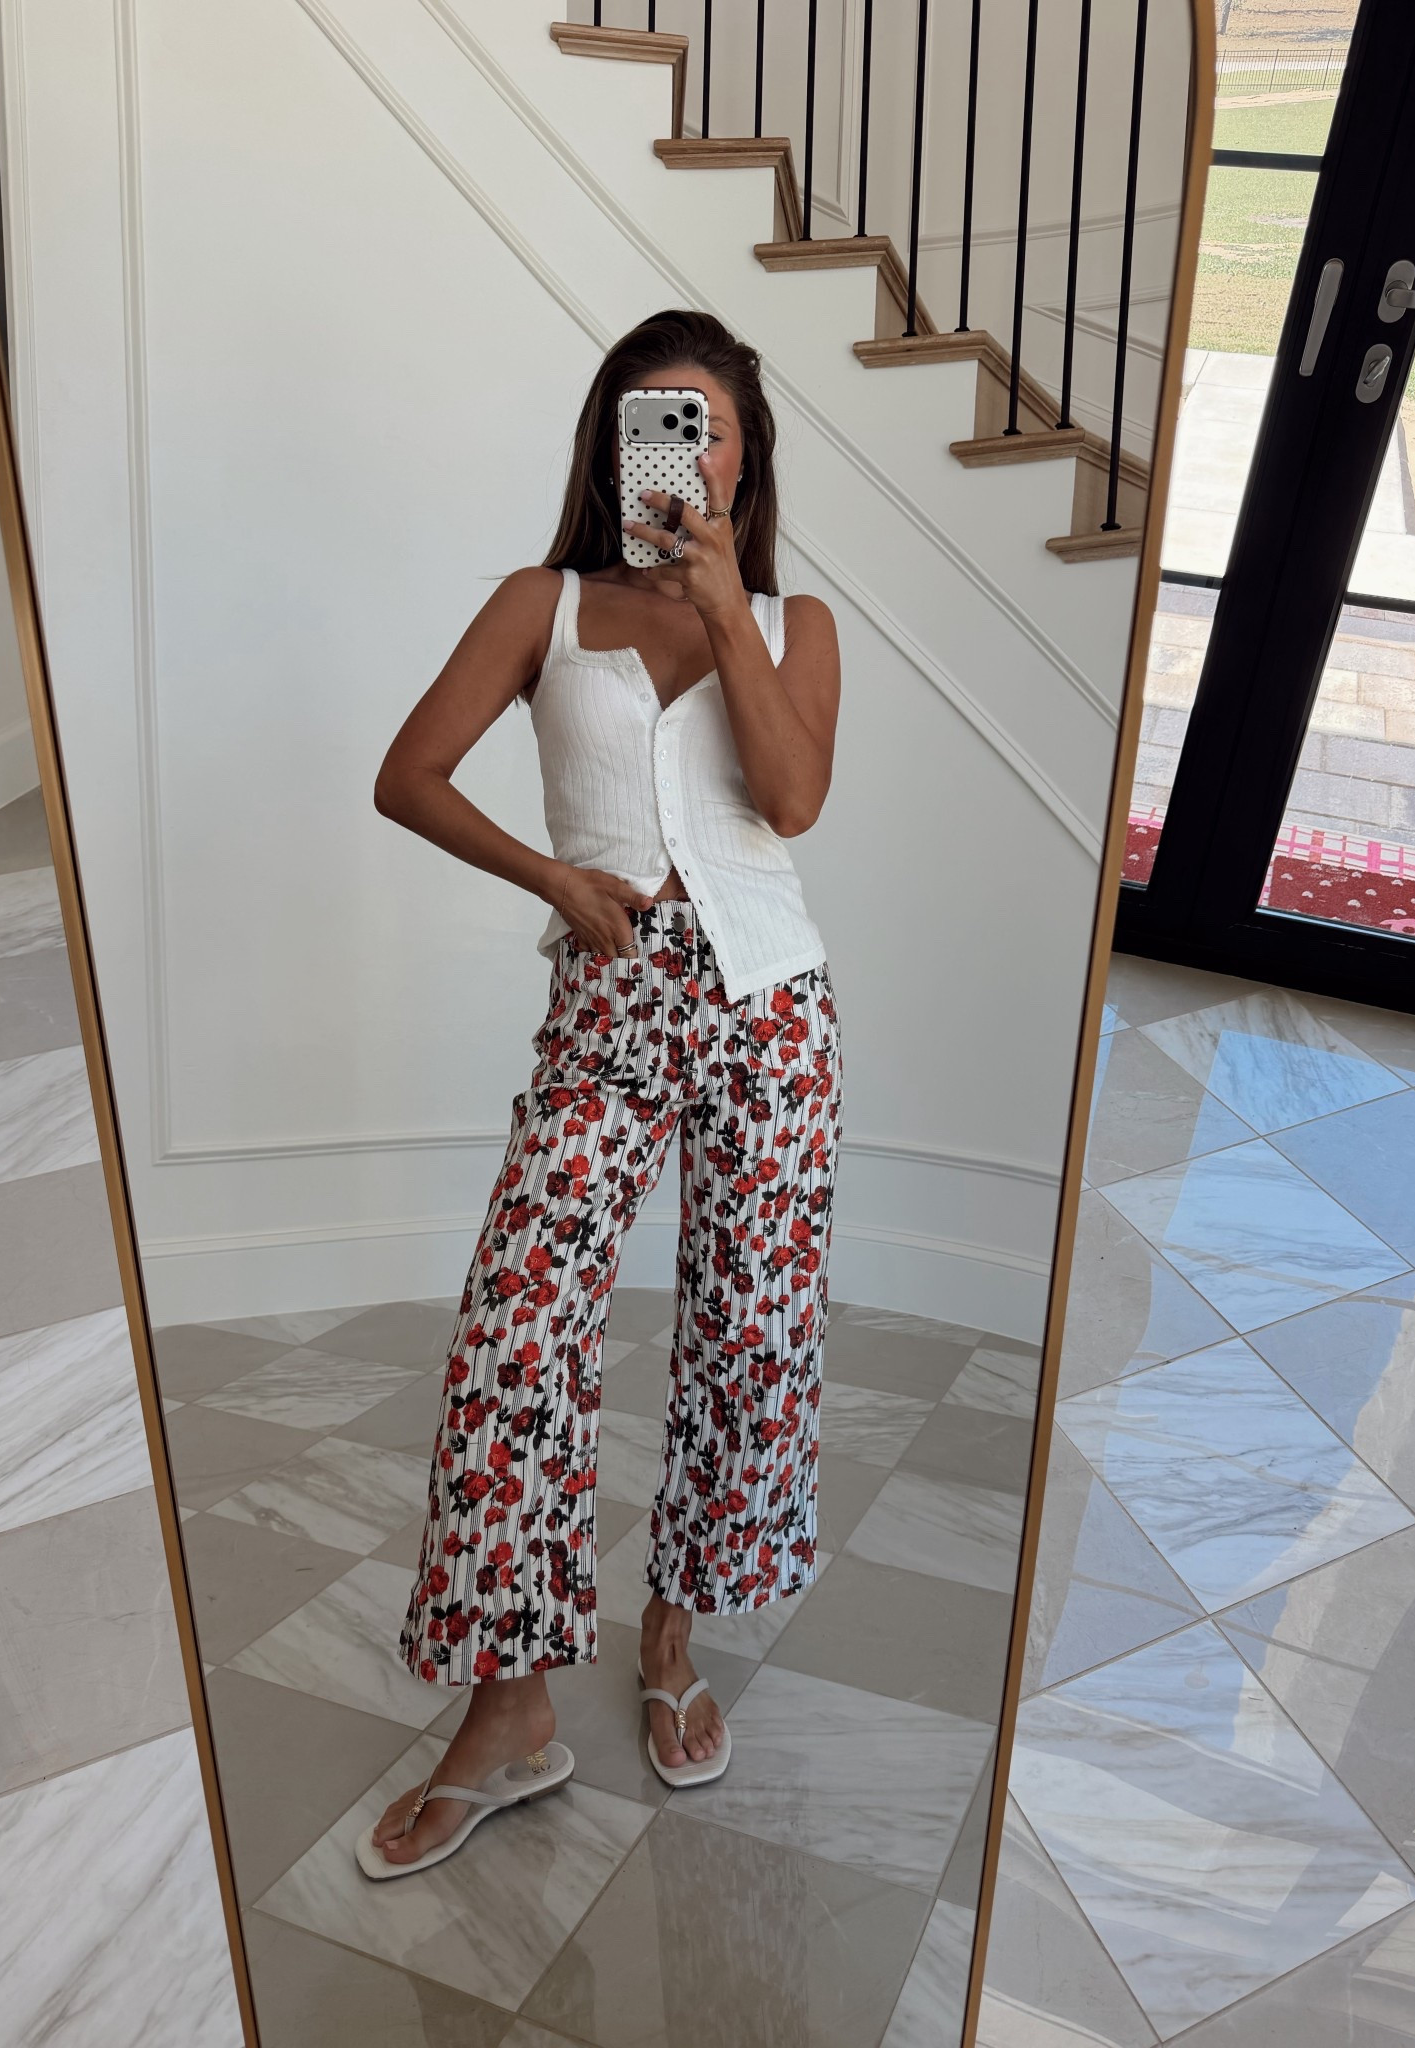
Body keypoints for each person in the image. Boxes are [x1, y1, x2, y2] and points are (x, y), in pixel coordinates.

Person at [361, 308, 844, 1874]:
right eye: (656, 423)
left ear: (746, 459)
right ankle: (510, 1710)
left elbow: (791, 800)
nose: (684, 454)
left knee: (746, 1335)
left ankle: (672, 1637)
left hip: (771, 1007)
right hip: (610, 992)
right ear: (611, 447)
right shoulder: (544, 604)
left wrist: (723, 604)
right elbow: (409, 774)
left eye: (710, 427)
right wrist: (555, 880)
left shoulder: (797, 623)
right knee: (521, 1323)